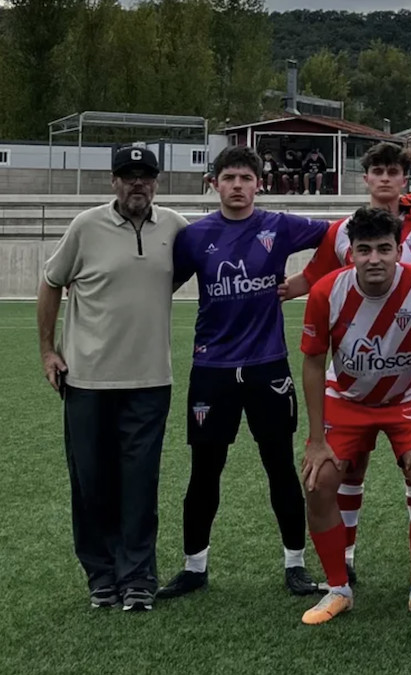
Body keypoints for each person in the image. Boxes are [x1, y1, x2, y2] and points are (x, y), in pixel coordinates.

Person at [158, 145, 328, 600]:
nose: (237, 186)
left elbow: (338, 238)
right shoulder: (195, 237)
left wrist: (304, 283)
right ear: (214, 183)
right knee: (205, 471)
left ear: (259, 184)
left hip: (267, 366)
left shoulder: (279, 225)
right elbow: (160, 285)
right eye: (228, 177)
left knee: (279, 467)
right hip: (211, 368)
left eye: (245, 178)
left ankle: (295, 564)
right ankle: (195, 567)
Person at [279, 141, 411, 590]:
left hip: (405, 378)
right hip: (351, 382)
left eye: (395, 170)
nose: (387, 178)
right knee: (339, 473)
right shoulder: (341, 234)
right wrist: (268, 290)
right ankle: (344, 563)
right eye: (379, 171)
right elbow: (314, 278)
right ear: (367, 177)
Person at [37, 146, 188, 612]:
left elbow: (182, 274)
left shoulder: (175, 228)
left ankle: (139, 577)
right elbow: (51, 282)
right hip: (86, 382)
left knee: (140, 484)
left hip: (149, 382)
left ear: (156, 182)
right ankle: (101, 575)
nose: (136, 184)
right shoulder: (86, 226)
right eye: (127, 176)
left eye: (145, 176)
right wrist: (47, 350)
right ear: (113, 182)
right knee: (91, 483)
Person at [297, 207, 411, 626]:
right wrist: (315, 439)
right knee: (319, 481)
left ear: (399, 250)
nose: (374, 259)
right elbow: (313, 363)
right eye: (364, 250)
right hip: (346, 398)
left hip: (406, 398)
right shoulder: (327, 292)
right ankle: (337, 589)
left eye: (384, 249)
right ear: (351, 253)